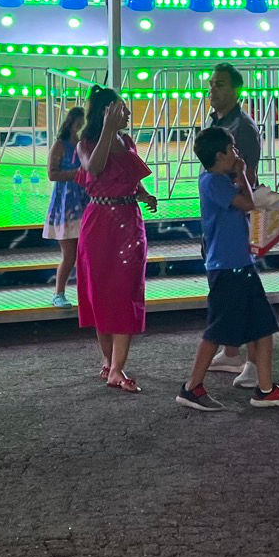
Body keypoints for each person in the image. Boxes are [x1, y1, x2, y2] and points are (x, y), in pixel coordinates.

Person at [176, 129, 279, 412]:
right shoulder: (212, 182)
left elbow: (246, 198)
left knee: (263, 325)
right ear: (220, 155)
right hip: (227, 267)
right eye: (232, 149)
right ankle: (191, 387)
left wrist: (242, 174)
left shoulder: (220, 179)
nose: (236, 153)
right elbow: (248, 203)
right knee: (217, 330)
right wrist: (244, 173)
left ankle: (266, 389)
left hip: (239, 264)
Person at [77, 86, 158, 393]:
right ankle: (109, 362)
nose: (127, 114)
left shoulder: (127, 140)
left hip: (128, 223)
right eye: (121, 109)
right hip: (99, 225)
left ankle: (117, 367)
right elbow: (95, 168)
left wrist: (144, 194)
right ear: (106, 112)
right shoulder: (86, 143)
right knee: (100, 294)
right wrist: (108, 131)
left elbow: (129, 179)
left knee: (126, 292)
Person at [205, 62, 264, 389]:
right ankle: (231, 351)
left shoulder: (241, 127)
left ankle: (253, 361)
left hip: (235, 221)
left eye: (221, 85)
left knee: (246, 295)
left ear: (236, 90)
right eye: (212, 84)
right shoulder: (217, 123)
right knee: (226, 292)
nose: (213, 89)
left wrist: (229, 184)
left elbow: (248, 176)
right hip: (219, 219)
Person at [43, 106, 88, 306]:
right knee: (69, 254)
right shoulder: (60, 146)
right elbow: (52, 174)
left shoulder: (84, 145)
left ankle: (86, 293)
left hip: (84, 203)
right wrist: (76, 174)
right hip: (66, 204)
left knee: (85, 254)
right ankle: (59, 293)